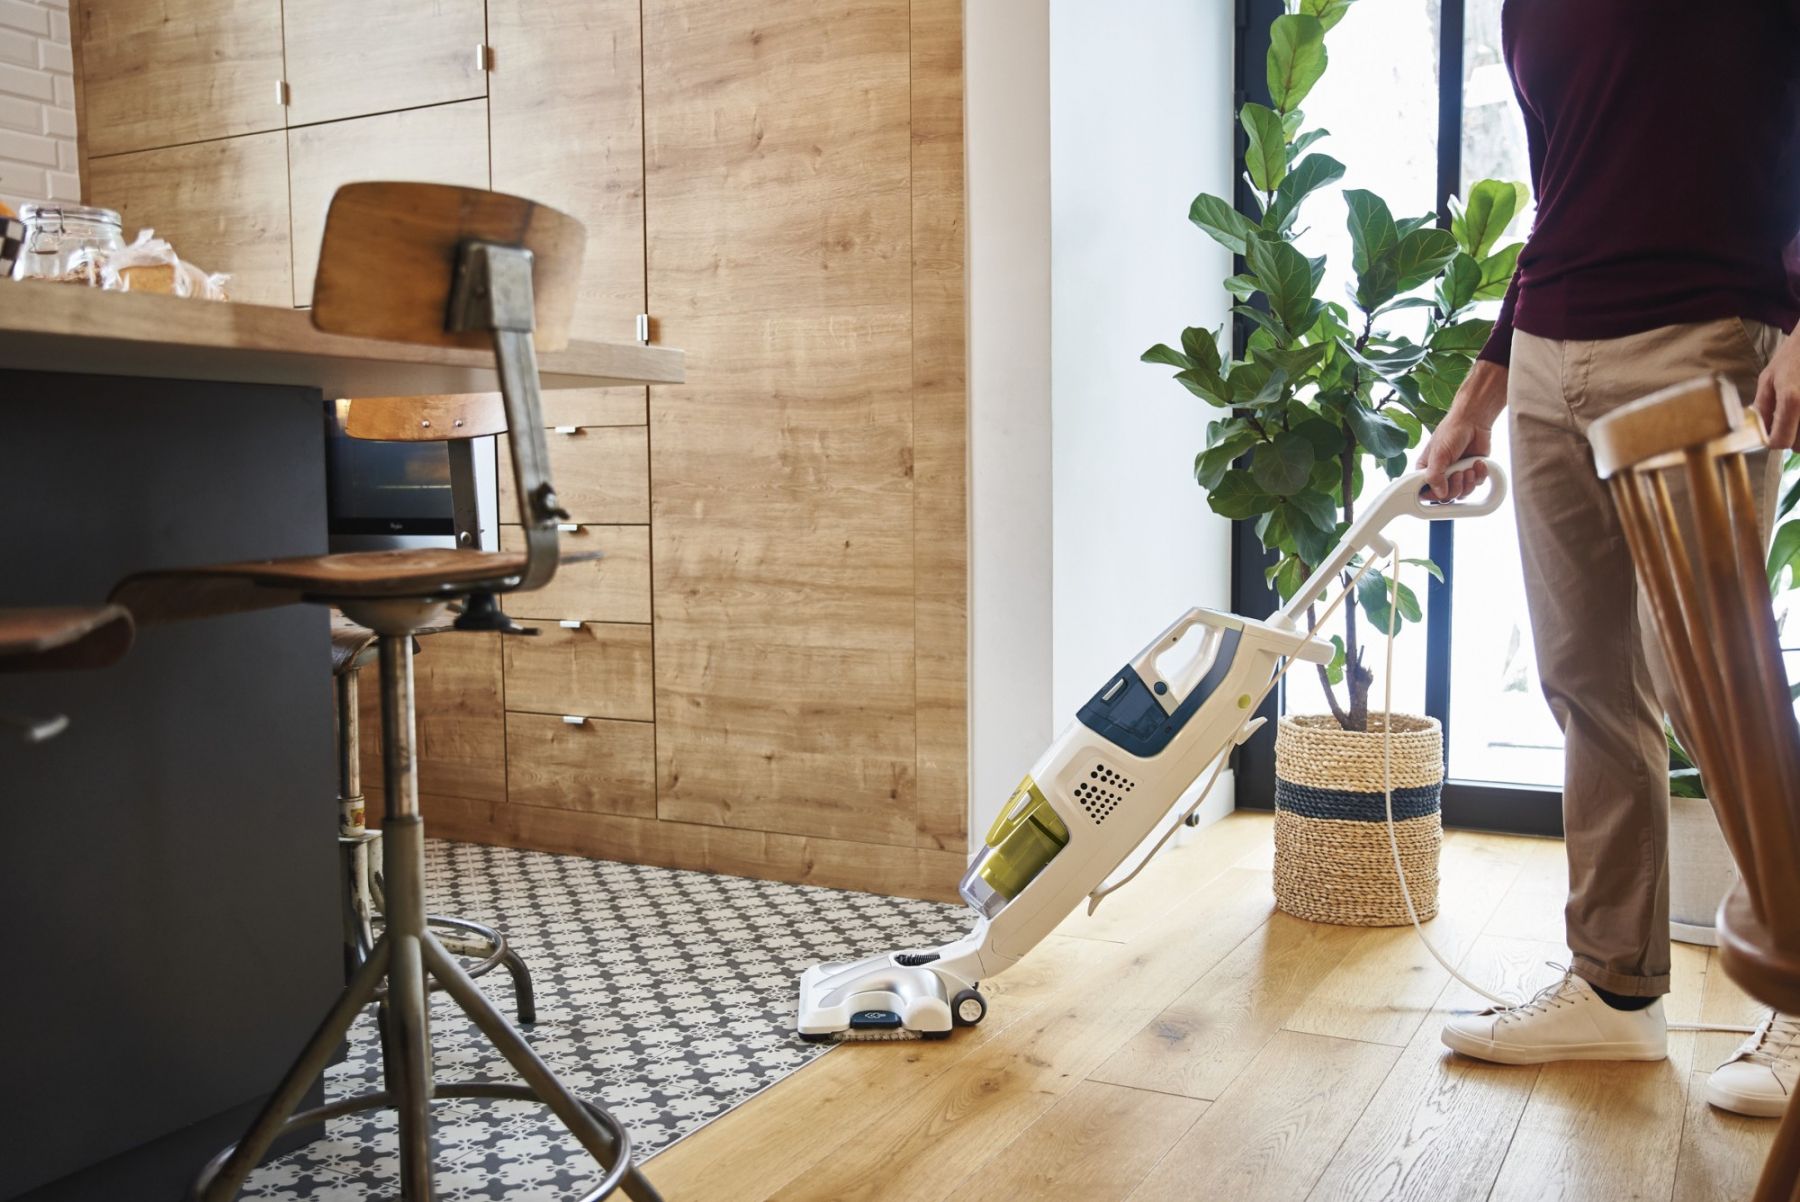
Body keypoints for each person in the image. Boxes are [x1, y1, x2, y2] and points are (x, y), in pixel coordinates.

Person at [1417, 0, 1800, 1119]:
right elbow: (1564, 196)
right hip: (1549, 356)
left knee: (1715, 685)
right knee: (1586, 677)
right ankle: (1616, 988)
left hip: (1699, 339)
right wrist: (1482, 389)